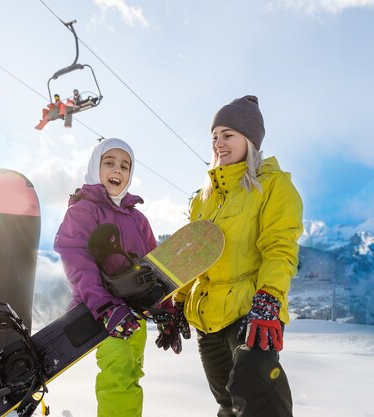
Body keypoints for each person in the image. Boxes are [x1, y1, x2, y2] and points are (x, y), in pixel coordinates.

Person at [168, 95, 303, 417]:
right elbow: (192, 254)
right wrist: (177, 302)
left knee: (257, 401)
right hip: (207, 316)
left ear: (250, 140)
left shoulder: (273, 186)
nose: (219, 144)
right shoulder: (204, 198)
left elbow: (279, 247)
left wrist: (268, 298)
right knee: (227, 405)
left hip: (252, 313)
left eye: (228, 135)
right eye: (214, 137)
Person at [54, 138, 156, 417]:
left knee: (132, 372)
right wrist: (106, 307)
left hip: (135, 313)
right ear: (94, 167)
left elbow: (155, 270)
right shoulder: (84, 209)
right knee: (120, 370)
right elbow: (77, 260)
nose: (117, 170)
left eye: (125, 166)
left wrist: (167, 311)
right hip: (99, 312)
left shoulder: (138, 219)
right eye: (109, 162)